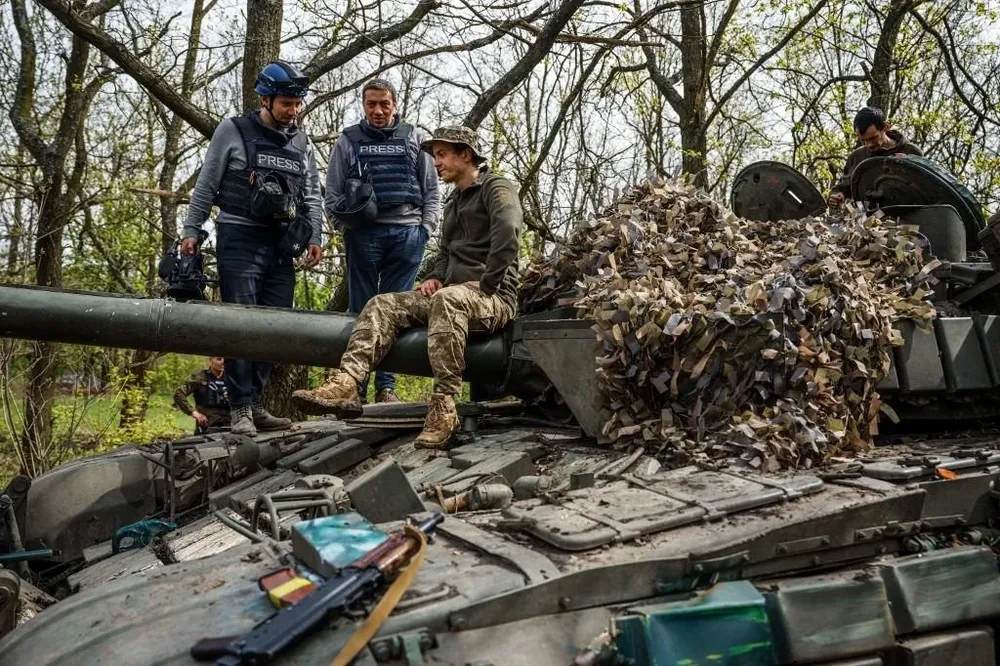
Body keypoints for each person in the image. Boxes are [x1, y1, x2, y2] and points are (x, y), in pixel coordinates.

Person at [296, 126, 520, 448]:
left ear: (466, 154)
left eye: (442, 154)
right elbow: (445, 252)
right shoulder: (454, 201)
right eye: (434, 156)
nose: (436, 162)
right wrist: (435, 277)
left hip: (494, 297)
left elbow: (509, 232)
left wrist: (487, 283)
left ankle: (444, 408)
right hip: (453, 294)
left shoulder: (496, 188)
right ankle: (347, 383)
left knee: (449, 301)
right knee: (382, 303)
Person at [181, 61, 324, 436]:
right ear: (265, 98)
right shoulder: (233, 130)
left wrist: (315, 236)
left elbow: (310, 194)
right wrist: (191, 229)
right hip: (239, 237)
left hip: (281, 242)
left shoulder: (301, 141)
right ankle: (240, 406)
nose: (293, 111)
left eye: (298, 104)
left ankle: (256, 405)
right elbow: (206, 184)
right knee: (240, 324)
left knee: (275, 326)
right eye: (286, 104)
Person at [325, 79, 440, 404]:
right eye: (371, 104)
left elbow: (431, 190)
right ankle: (354, 388)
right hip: (363, 236)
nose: (377, 111)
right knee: (360, 311)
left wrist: (425, 230)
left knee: (394, 313)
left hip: (407, 236)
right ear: (363, 105)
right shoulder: (348, 141)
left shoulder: (415, 137)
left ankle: (385, 388)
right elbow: (332, 193)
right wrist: (343, 228)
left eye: (384, 104)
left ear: (395, 104)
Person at [828, 106, 923, 207]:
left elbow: (925, 189)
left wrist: (906, 163)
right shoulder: (857, 157)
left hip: (908, 217)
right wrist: (837, 196)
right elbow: (843, 187)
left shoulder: (911, 152)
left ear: (885, 127)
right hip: (867, 219)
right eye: (863, 141)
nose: (868, 145)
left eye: (873, 138)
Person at [174, 357, 230, 434]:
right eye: (219, 359)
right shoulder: (200, 377)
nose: (223, 362)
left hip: (230, 425)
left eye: (225, 359)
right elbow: (179, 394)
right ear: (210, 360)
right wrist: (193, 412)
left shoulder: (232, 379)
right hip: (207, 426)